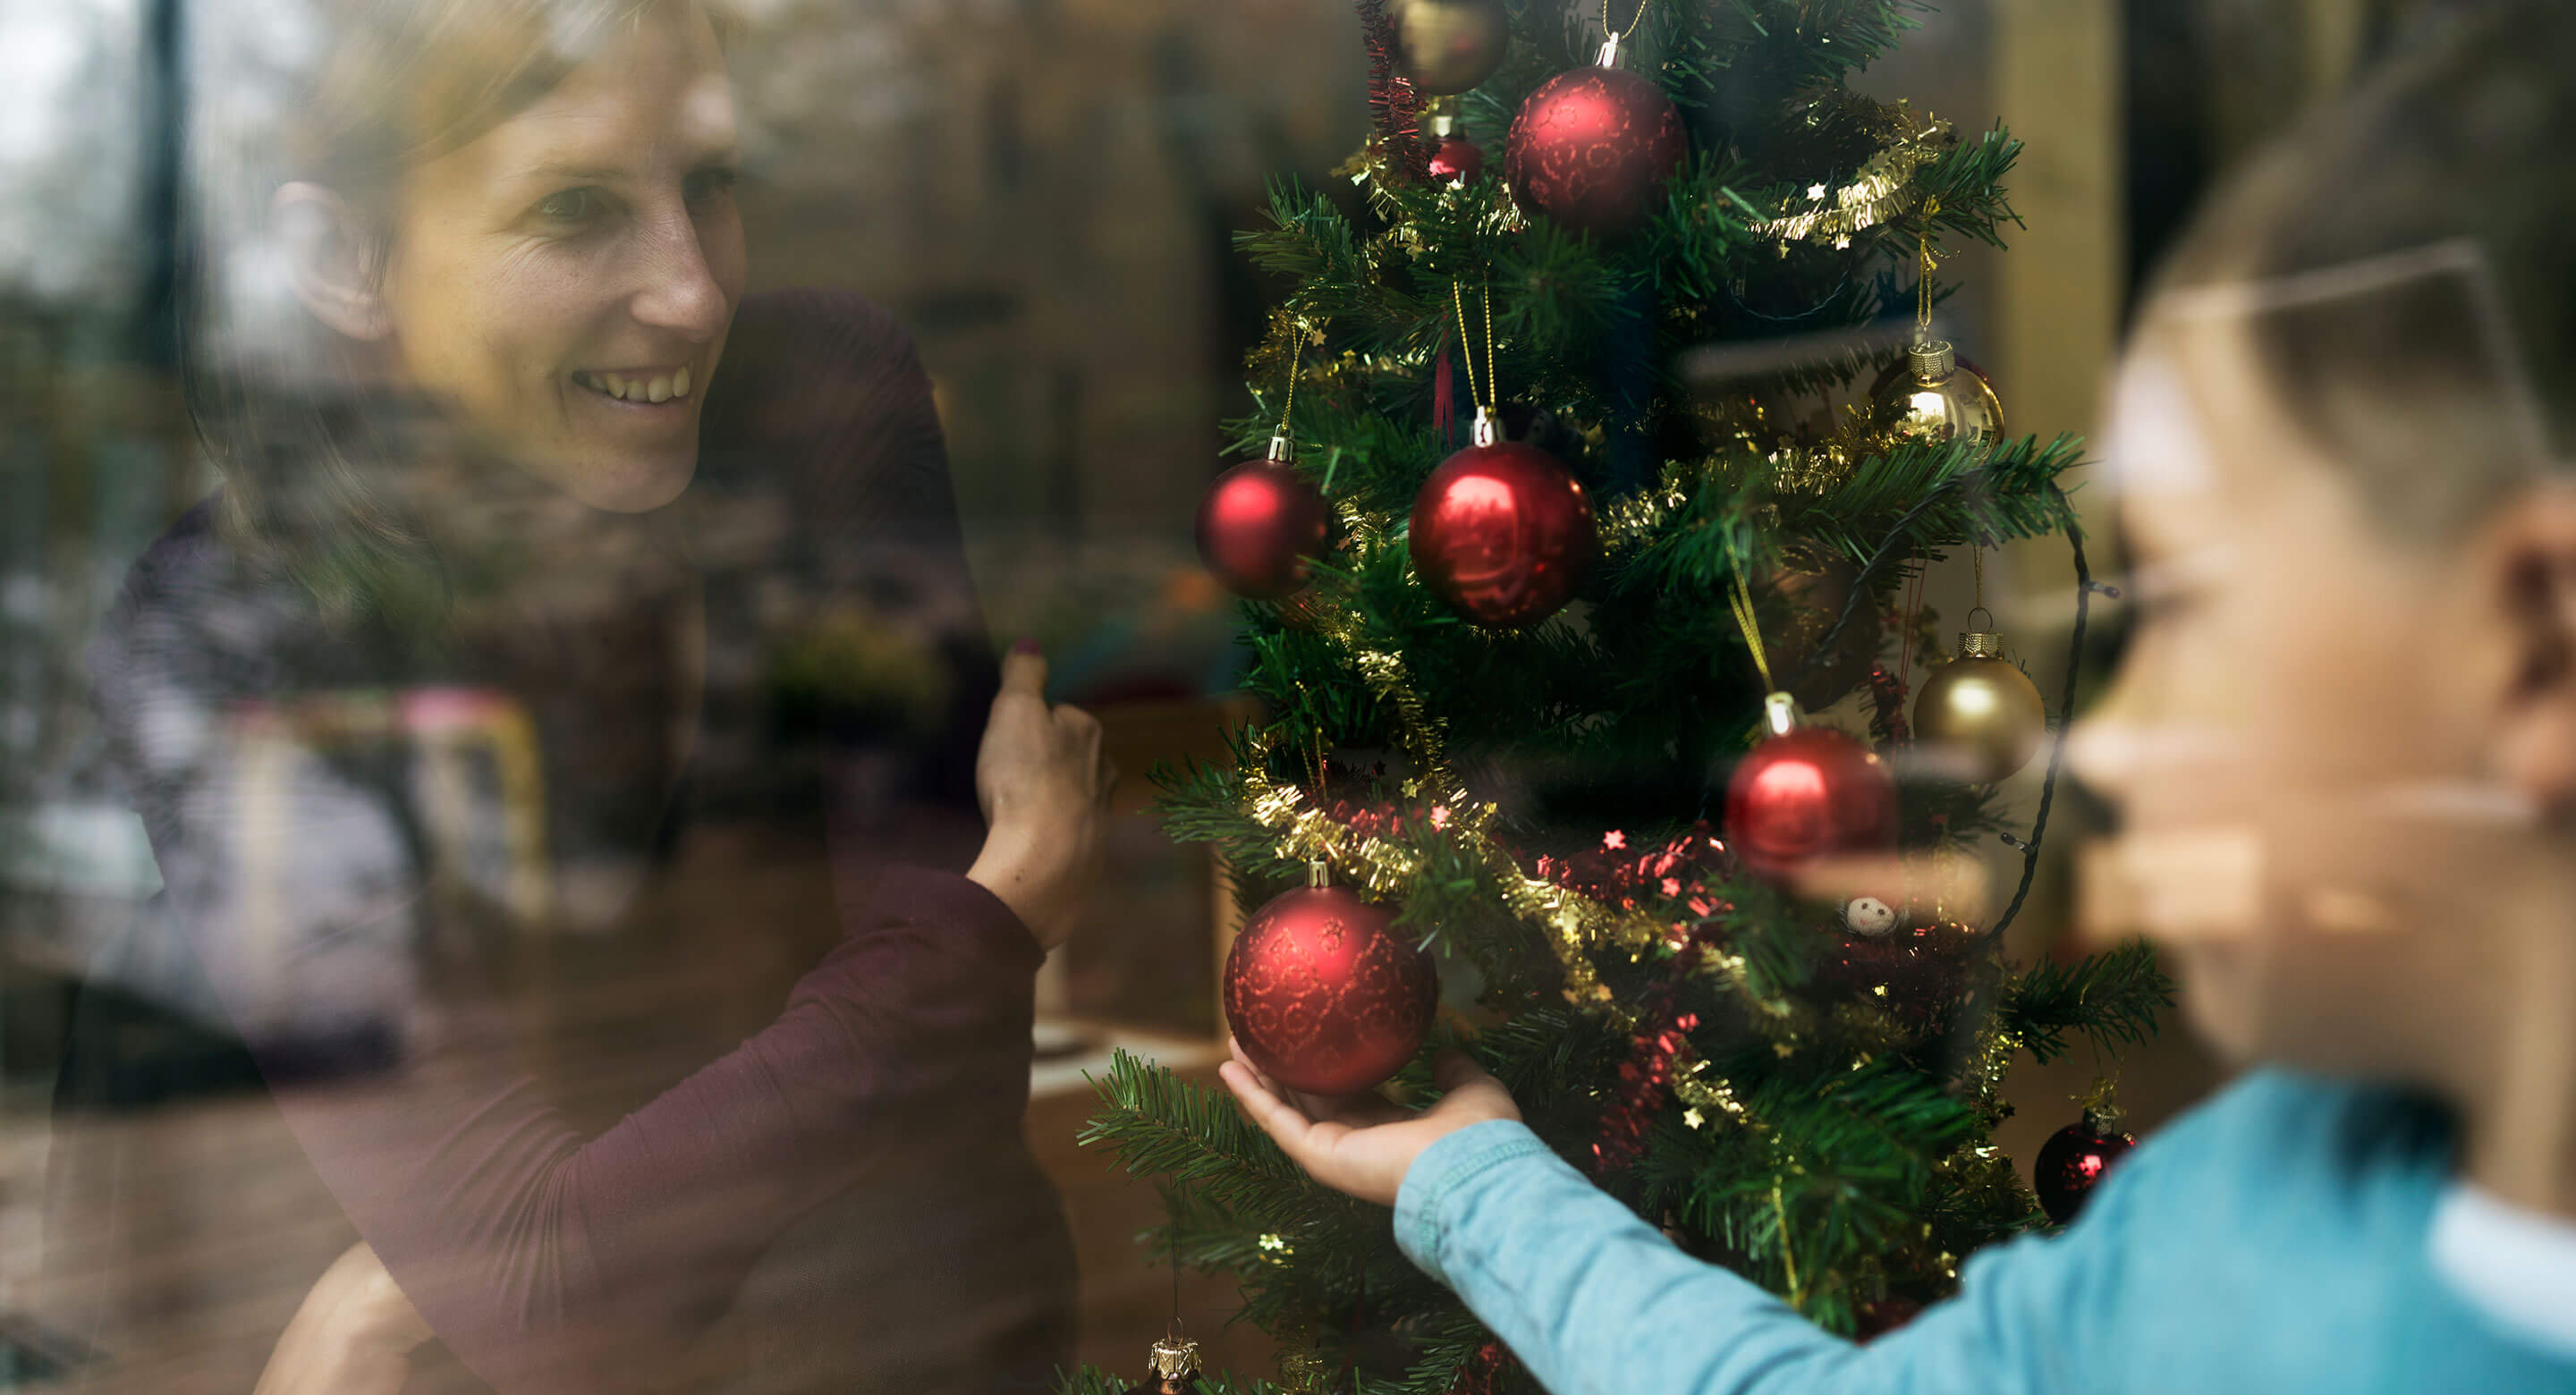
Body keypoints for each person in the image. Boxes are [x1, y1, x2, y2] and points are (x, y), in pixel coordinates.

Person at [1220, 8, 2576, 1392]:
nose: (2107, 747)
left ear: (2538, 652)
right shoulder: (2253, 1208)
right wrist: (1472, 1175)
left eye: (2187, 606)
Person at [54, 1, 1107, 1391]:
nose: (694, 294)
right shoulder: (230, 627)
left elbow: (947, 1121)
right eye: (573, 209)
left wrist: (425, 1278)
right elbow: (551, 1304)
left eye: (711, 185)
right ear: (345, 262)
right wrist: (997, 910)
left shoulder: (820, 404)